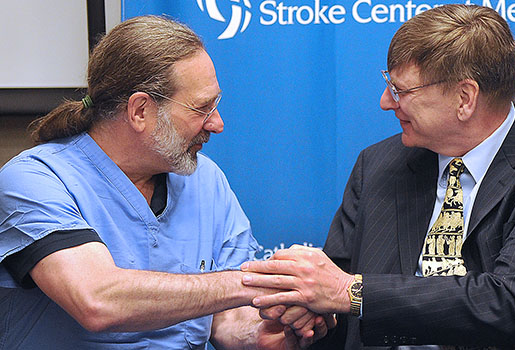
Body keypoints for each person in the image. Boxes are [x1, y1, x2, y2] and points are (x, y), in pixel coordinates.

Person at [240, 4, 515, 349]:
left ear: (464, 98)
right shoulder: (379, 164)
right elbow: (336, 285)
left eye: (401, 91)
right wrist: (310, 317)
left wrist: (350, 294)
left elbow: (510, 304)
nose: (385, 101)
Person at [0, 15, 329, 350]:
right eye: (202, 108)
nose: (217, 124)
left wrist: (261, 334)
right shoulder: (34, 180)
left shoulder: (205, 180)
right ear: (140, 110)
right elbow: (96, 300)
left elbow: (225, 319)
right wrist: (264, 285)